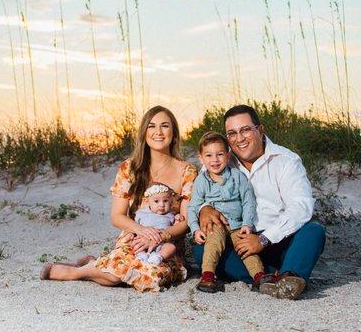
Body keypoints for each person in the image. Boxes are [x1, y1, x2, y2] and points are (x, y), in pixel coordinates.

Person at [40, 105, 198, 292]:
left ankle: (92, 266)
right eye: (151, 126)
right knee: (118, 272)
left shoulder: (187, 171)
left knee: (151, 278)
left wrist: (159, 236)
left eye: (164, 126)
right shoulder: (129, 168)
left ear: (174, 132)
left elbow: (186, 221)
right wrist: (143, 232)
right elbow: (117, 216)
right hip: (135, 237)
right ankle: (76, 272)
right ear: (144, 132)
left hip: (167, 245)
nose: (158, 132)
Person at [193, 105, 326, 300]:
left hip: (279, 238)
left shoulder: (286, 161)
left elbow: (301, 207)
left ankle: (290, 275)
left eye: (245, 130)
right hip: (239, 241)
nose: (239, 139)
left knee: (314, 232)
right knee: (201, 249)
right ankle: (270, 278)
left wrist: (263, 240)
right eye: (232, 133)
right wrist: (204, 209)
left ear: (260, 130)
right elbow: (201, 192)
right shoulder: (221, 159)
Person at [188, 131, 264, 293]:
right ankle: (208, 276)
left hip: (237, 224)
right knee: (212, 244)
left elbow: (248, 201)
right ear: (201, 158)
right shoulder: (201, 181)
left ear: (228, 156)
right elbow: (193, 206)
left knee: (245, 247)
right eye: (208, 155)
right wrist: (195, 229)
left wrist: (247, 224)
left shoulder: (238, 176)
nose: (214, 160)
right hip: (217, 225)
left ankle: (259, 277)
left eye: (220, 154)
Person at [127, 182, 184, 265]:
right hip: (143, 241)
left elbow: (175, 229)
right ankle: (142, 255)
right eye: (156, 201)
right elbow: (134, 226)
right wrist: (130, 234)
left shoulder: (171, 215)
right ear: (148, 201)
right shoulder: (141, 213)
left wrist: (178, 220)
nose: (161, 205)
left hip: (163, 243)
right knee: (135, 245)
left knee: (171, 247)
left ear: (170, 201)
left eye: (165, 201)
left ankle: (158, 257)